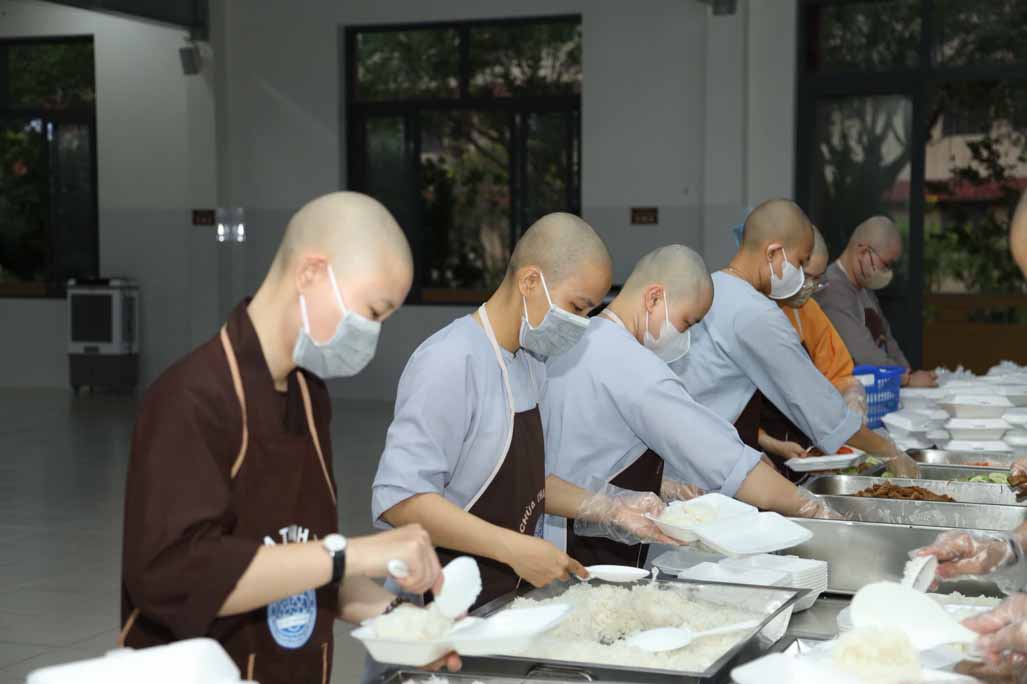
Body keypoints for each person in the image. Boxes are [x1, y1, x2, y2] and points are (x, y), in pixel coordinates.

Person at [120, 193, 459, 684]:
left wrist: (407, 624)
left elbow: (306, 558)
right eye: (372, 312)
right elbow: (171, 575)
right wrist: (352, 552)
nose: (371, 335)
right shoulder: (191, 396)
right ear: (311, 273)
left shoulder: (307, 395)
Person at [372, 213, 670, 610]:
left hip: (507, 593)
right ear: (530, 281)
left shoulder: (531, 363)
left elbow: (530, 482)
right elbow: (401, 500)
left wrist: (613, 508)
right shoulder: (449, 359)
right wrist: (511, 548)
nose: (581, 324)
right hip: (447, 594)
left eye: (588, 312)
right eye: (577, 307)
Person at [541, 244, 836, 567]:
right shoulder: (635, 366)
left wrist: (664, 485)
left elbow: (588, 446)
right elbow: (722, 459)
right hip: (580, 542)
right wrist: (812, 508)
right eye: (687, 323)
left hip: (556, 524)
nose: (686, 338)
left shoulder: (583, 338)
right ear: (654, 298)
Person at [672, 200, 920, 478]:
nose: (803, 279)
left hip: (690, 450)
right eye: (800, 263)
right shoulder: (756, 313)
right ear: (774, 252)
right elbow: (819, 408)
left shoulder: (714, 286)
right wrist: (889, 451)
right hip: (694, 464)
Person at [758, 224, 868, 470]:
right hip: (755, 452)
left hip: (805, 454)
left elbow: (838, 374)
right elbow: (728, 408)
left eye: (817, 280)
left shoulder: (807, 311)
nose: (810, 286)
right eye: (806, 276)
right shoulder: (751, 312)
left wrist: (852, 398)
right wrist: (767, 442)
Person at [816, 216, 937, 388]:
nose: (888, 272)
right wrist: (907, 379)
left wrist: (908, 372)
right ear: (863, 252)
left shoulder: (865, 288)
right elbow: (864, 354)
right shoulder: (832, 289)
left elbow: (887, 339)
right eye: (886, 264)